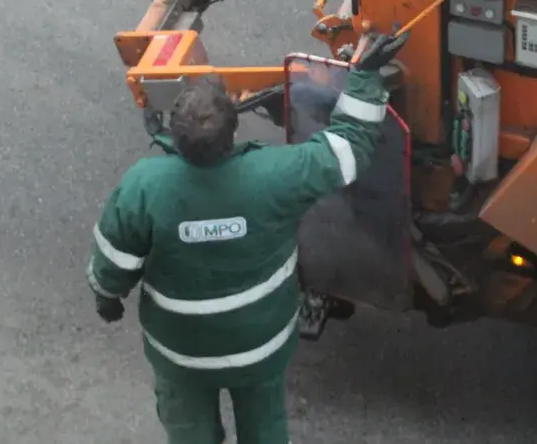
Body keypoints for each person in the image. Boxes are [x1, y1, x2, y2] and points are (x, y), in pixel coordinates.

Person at [85, 29, 408, 444]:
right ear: (232, 130)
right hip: (260, 346)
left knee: (188, 430)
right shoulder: (275, 176)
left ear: (176, 138)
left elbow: (113, 261)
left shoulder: (145, 186)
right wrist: (364, 75)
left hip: (181, 354)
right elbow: (348, 149)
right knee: (265, 426)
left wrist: (107, 298)